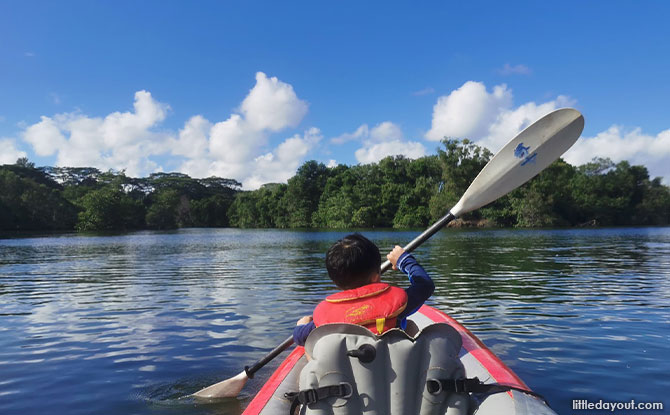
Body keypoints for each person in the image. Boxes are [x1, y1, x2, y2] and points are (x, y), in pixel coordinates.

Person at [293, 233, 434, 346]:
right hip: (391, 372)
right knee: (409, 325)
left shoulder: (323, 320)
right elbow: (425, 285)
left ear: (335, 281)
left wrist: (302, 324)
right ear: (375, 277)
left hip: (349, 378)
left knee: (312, 348)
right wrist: (403, 260)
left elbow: (300, 337)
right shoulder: (397, 305)